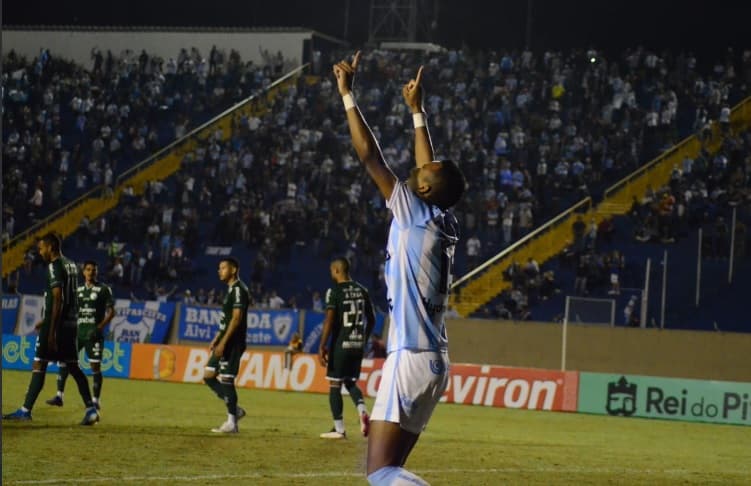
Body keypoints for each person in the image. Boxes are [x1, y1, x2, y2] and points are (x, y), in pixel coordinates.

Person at [334, 52, 465, 485]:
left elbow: (369, 156)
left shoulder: (413, 212)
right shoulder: (441, 218)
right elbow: (431, 170)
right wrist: (416, 113)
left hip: (409, 358)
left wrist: (348, 95)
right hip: (433, 361)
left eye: (424, 169)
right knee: (390, 469)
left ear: (425, 187)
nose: (418, 165)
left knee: (380, 474)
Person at [3, 233, 99, 425]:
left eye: (41, 248)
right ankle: (91, 409)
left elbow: (57, 297)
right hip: (71, 324)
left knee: (39, 363)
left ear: (51, 248)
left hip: (57, 325)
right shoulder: (71, 264)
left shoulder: (54, 266)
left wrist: (51, 328)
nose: (40, 252)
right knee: (73, 366)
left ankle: (25, 410)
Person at [318, 257, 376, 439]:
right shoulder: (362, 290)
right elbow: (372, 319)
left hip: (341, 344)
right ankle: (362, 411)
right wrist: (363, 339)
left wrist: (322, 345)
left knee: (335, 383)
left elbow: (329, 320)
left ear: (336, 270)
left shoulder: (334, 292)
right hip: (357, 344)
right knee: (350, 381)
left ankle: (339, 429)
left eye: (331, 271)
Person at [46, 261, 115, 410]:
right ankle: (59, 396)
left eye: (94, 270)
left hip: (93, 334)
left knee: (95, 366)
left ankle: (96, 400)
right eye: (88, 270)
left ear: (97, 272)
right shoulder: (78, 291)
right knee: (65, 361)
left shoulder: (104, 289)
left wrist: (100, 327)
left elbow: (112, 312)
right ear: (83, 272)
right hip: (77, 333)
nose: (91, 272)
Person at [203, 257, 249, 433]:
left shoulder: (238, 290)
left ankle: (232, 423)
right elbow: (228, 319)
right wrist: (217, 337)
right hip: (224, 339)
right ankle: (235, 410)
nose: (219, 271)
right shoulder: (231, 290)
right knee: (208, 375)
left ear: (234, 269)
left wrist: (223, 342)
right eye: (219, 268)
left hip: (233, 342)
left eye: (223, 268)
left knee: (227, 379)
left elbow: (236, 319)